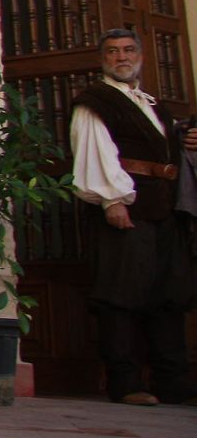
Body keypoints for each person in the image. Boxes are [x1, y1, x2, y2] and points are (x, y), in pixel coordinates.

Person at [69, 28, 197, 406]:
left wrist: (185, 137)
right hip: (127, 206)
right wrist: (112, 201)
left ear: (140, 56)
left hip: (165, 208)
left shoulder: (154, 105)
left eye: (128, 50)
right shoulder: (95, 101)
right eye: (112, 52)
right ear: (103, 59)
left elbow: (164, 149)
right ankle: (125, 383)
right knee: (120, 294)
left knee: (169, 295)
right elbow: (96, 151)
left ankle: (171, 380)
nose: (121, 57)